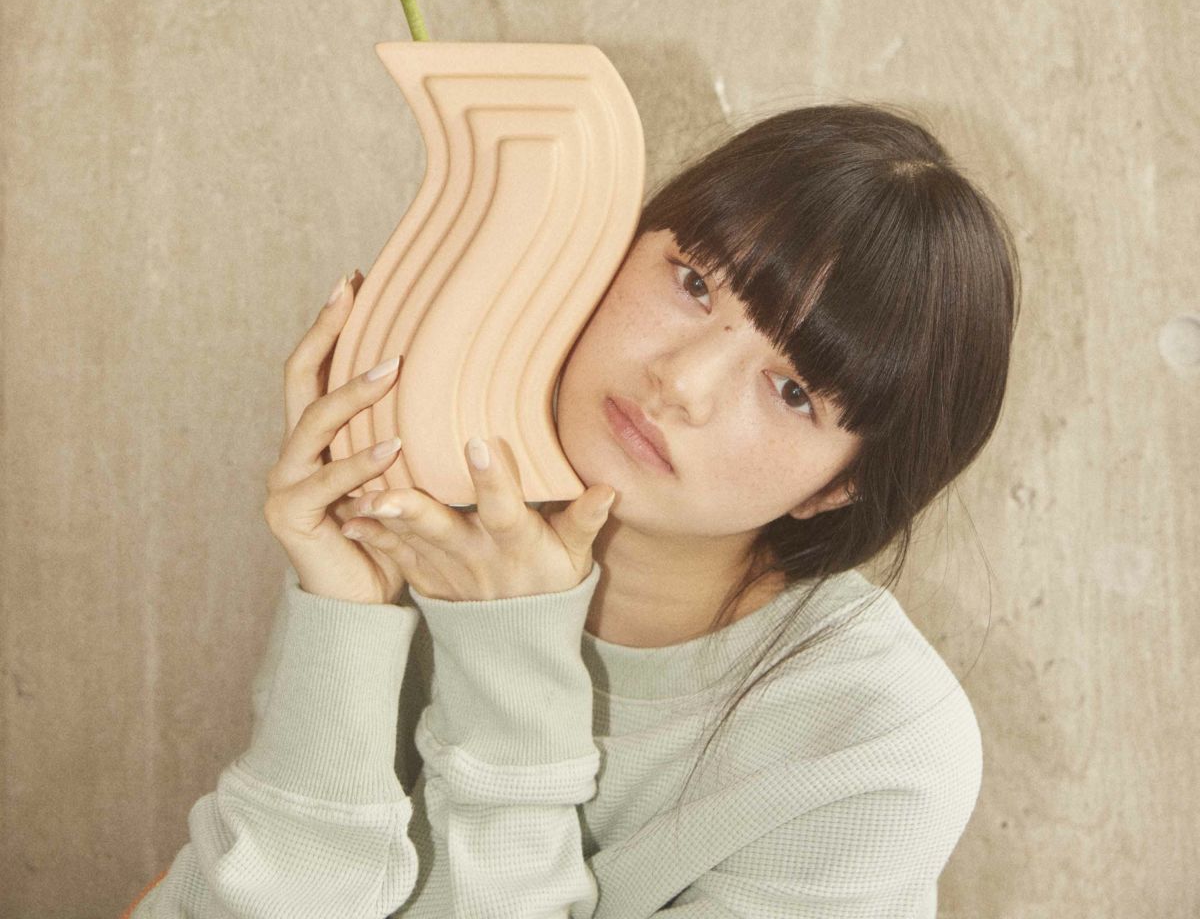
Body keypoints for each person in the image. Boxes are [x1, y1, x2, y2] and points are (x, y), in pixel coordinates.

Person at [124, 100, 1019, 917]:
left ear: (841, 485)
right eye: (693, 283)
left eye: (792, 392)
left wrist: (508, 658)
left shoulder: (872, 745)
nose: (682, 382)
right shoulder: (426, 522)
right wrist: (345, 618)